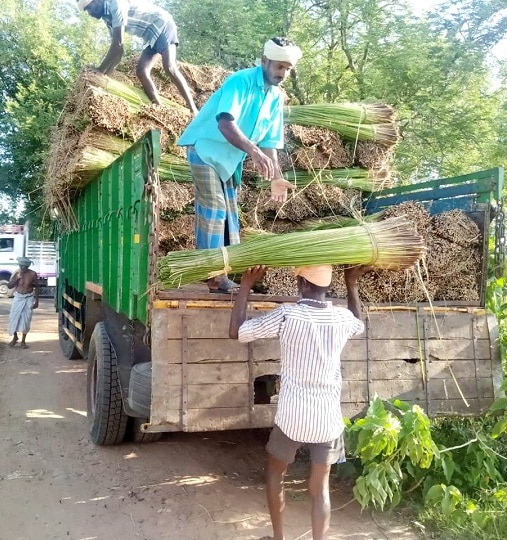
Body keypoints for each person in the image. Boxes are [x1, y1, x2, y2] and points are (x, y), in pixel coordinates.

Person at [229, 264, 368, 540]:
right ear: (326, 287)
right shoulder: (341, 319)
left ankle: (279, 537)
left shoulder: (287, 315)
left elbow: (237, 331)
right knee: (320, 490)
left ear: (302, 284)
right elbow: (359, 323)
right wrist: (351, 283)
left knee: (275, 474)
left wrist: (245, 285)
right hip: (327, 420)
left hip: (293, 417)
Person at [177, 38, 300, 293]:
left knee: (230, 216)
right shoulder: (240, 81)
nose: (282, 74)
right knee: (214, 208)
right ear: (264, 61)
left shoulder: (276, 97)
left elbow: (270, 141)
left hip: (230, 160)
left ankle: (220, 271)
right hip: (206, 149)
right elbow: (225, 123)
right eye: (279, 67)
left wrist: (276, 176)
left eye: (287, 69)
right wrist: (253, 151)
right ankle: (210, 274)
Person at [77, 0, 198, 114]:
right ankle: (159, 108)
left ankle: (193, 110)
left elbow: (118, 44)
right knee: (142, 72)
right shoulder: (107, 19)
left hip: (163, 25)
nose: (89, 13)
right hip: (150, 36)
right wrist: (105, 78)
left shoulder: (116, 4)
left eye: (89, 8)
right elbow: (118, 52)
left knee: (169, 67)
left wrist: (100, 70)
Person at [7, 257, 40, 349]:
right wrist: (17, 279)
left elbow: (37, 287)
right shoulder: (16, 273)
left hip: (28, 298)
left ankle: (23, 341)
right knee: (13, 317)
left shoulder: (32, 274)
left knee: (26, 319)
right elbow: (9, 286)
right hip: (18, 297)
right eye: (21, 266)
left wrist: (36, 301)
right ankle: (15, 337)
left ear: (27, 266)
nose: (22, 268)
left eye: (24, 267)